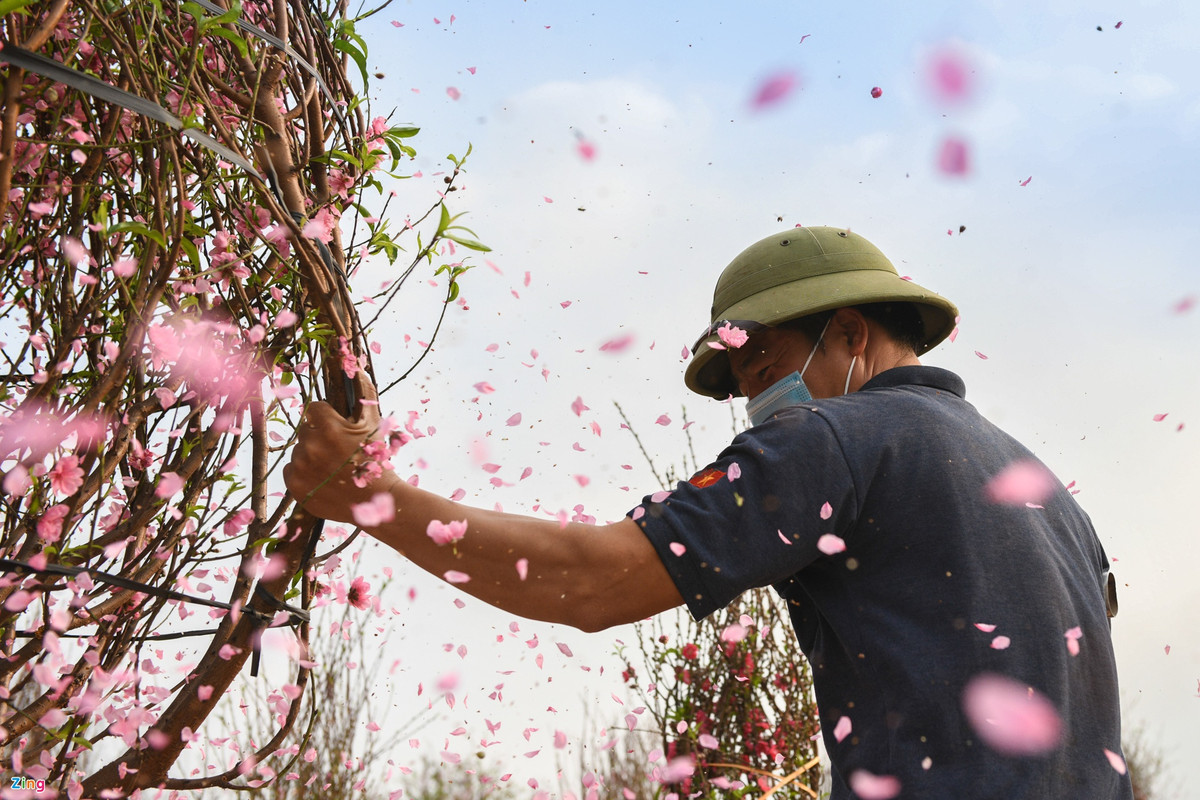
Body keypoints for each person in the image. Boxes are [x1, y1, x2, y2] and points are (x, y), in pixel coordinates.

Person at [285, 226, 1132, 799]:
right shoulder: (1048, 491)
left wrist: (373, 500)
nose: (755, 401)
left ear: (847, 334)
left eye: (759, 367)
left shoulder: (837, 439)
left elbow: (589, 583)